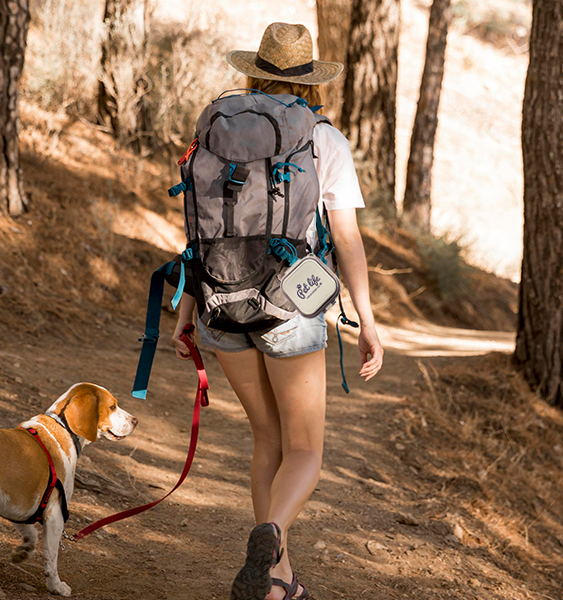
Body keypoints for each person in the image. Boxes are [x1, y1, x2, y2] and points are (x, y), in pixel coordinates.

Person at [169, 22, 385, 600]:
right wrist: (367, 320)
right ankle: (270, 533)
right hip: (292, 301)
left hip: (219, 299)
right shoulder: (324, 140)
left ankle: (277, 580)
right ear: (311, 78)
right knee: (305, 448)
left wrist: (188, 303)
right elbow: (348, 242)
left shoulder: (220, 130)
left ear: (254, 70)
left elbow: (201, 228)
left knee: (267, 440)